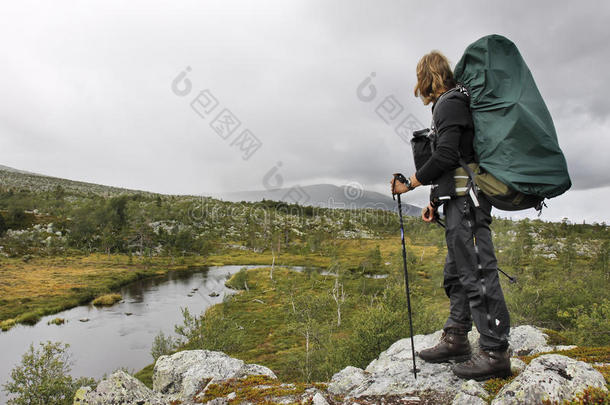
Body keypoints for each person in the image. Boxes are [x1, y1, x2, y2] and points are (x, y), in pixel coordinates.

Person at [390, 50, 511, 380]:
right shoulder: (450, 104)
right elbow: (456, 159)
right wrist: (434, 201)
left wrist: (410, 184)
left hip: (468, 204)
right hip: (456, 200)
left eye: (421, 80)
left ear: (428, 77)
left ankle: (494, 351)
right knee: (456, 272)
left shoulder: (450, 103)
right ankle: (457, 337)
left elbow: (444, 155)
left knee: (477, 273)